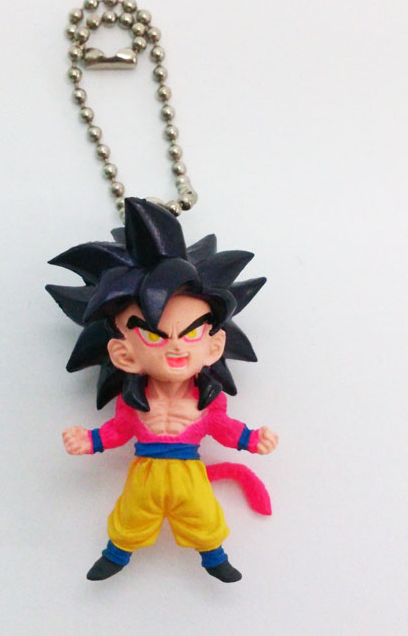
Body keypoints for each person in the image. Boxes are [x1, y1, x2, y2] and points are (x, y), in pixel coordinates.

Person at [46, 198, 279, 582]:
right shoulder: (134, 400)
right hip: (145, 473)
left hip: (189, 472)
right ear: (123, 354)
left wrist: (252, 440)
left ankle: (214, 557)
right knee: (131, 516)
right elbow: (119, 430)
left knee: (203, 516)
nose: (175, 347)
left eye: (191, 333)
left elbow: (223, 427)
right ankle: (116, 554)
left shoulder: (207, 399)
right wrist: (89, 441)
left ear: (214, 346)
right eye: (154, 336)